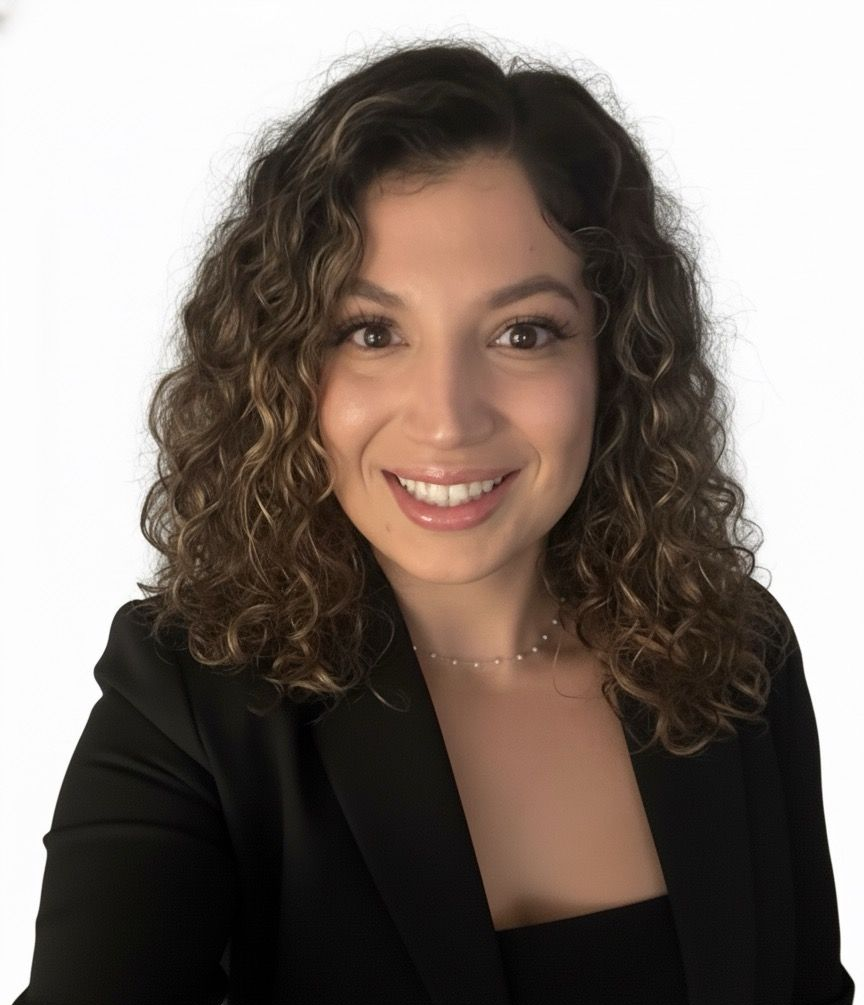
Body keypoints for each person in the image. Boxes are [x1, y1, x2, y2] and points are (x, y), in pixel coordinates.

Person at [14, 39, 854, 1005]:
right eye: (372, 333)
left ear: (615, 360)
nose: (449, 416)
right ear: (286, 371)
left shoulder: (733, 650)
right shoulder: (189, 703)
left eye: (522, 333)